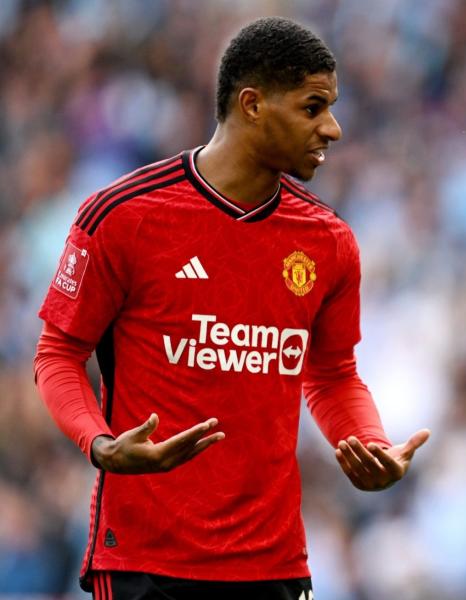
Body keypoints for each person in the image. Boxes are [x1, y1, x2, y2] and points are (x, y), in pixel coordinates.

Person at [33, 17, 429, 599]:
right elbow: (58, 353)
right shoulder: (124, 216)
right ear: (252, 105)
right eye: (313, 107)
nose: (334, 129)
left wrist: (369, 442)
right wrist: (99, 442)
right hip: (148, 561)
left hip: (272, 565)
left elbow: (332, 374)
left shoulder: (329, 240)